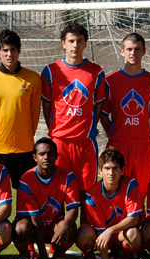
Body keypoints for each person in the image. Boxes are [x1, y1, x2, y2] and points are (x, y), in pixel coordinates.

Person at [41, 23, 106, 204]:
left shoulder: (96, 72)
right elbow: (46, 107)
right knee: (58, 192)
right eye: (71, 41)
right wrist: (55, 130)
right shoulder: (50, 71)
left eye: (79, 41)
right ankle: (59, 232)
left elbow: (98, 107)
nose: (75, 45)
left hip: (86, 142)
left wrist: (88, 127)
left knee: (88, 194)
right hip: (59, 142)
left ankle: (87, 231)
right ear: (63, 43)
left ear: (85, 44)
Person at [101, 33, 150, 198]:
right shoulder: (110, 81)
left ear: (144, 51)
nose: (133, 53)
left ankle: (138, 224)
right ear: (122, 51)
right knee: (115, 192)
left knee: (141, 193)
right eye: (129, 49)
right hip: (117, 145)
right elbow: (103, 114)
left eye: (137, 49)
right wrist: (112, 133)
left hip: (143, 147)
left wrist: (146, 131)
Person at [0, 29, 41, 186]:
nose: (9, 54)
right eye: (5, 50)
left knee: (27, 197)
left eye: (13, 50)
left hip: (24, 148)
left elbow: (35, 113)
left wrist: (26, 135)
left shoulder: (33, 79)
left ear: (19, 51)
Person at [13, 137, 80, 259]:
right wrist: (43, 258)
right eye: (42, 154)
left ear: (56, 156)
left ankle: (58, 256)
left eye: (50, 154)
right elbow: (35, 220)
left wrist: (64, 226)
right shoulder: (26, 180)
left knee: (71, 227)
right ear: (34, 157)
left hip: (54, 226)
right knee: (20, 228)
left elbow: (73, 209)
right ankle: (26, 255)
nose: (46, 157)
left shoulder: (68, 176)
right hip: (32, 227)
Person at [76, 147, 144, 259]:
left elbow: (134, 219)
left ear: (122, 170)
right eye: (107, 168)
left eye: (115, 168)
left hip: (120, 235)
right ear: (100, 170)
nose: (111, 173)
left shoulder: (131, 184)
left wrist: (111, 230)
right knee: (84, 233)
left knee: (134, 234)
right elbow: (101, 232)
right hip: (100, 236)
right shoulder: (92, 195)